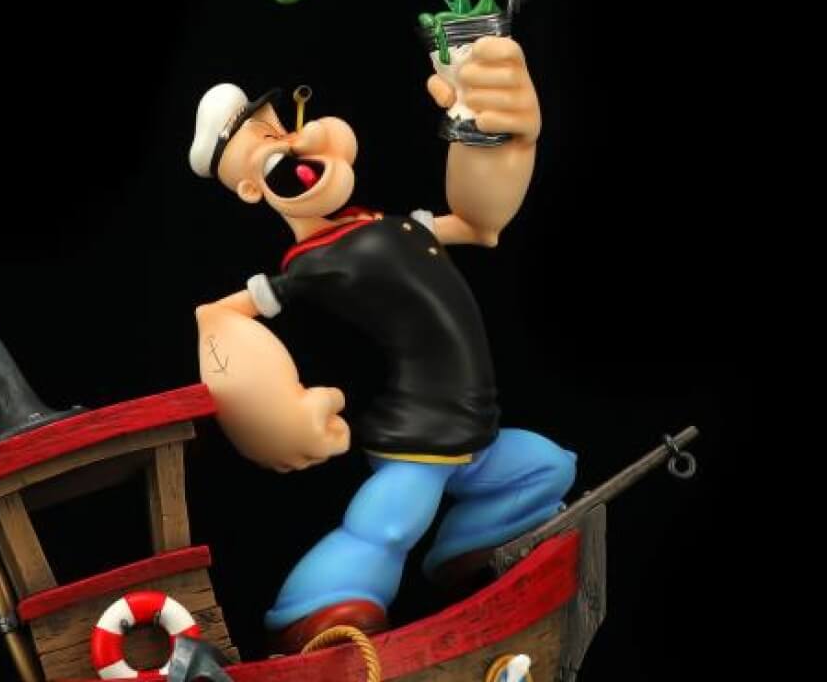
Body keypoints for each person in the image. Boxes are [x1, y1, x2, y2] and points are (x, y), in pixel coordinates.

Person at [188, 36, 576, 653]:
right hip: (418, 433)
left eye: (286, 128)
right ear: (252, 189)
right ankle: (314, 605)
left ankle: (466, 549)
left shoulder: (393, 225)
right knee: (385, 527)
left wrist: (489, 132)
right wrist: (269, 408)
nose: (296, 143)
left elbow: (479, 222)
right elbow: (223, 313)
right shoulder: (313, 263)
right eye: (269, 146)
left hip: (474, 427)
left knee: (547, 468)